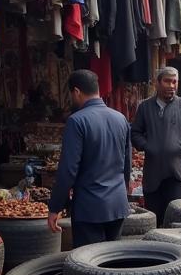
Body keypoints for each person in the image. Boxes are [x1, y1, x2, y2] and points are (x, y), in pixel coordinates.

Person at [48, 70, 131, 246]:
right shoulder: (121, 119)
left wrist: (55, 207)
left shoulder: (77, 121)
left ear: (76, 91)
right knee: (113, 261)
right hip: (117, 205)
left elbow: (68, 170)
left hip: (90, 208)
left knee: (90, 267)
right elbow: (127, 165)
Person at [130, 66, 181, 226]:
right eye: (167, 81)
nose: (171, 86)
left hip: (177, 174)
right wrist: (147, 146)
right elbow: (135, 133)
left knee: (176, 220)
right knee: (155, 220)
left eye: (174, 82)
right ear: (157, 83)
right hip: (153, 175)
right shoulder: (145, 107)